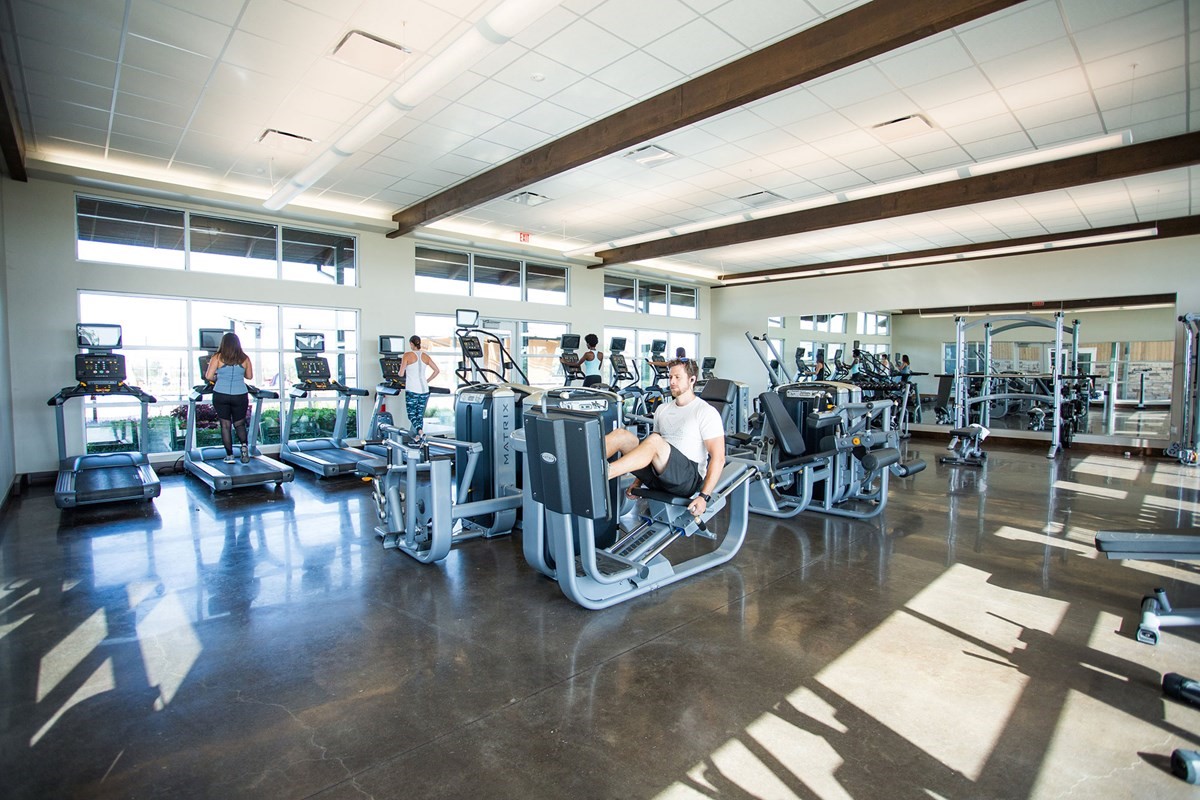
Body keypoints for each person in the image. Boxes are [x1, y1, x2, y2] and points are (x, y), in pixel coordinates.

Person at [605, 358, 725, 519]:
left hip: (686, 479)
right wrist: (639, 481)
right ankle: (583, 467)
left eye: (677, 377)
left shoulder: (705, 412)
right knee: (622, 435)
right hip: (659, 474)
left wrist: (704, 496)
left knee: (655, 440)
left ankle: (602, 474)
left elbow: (718, 458)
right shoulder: (662, 409)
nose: (672, 382)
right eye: (670, 377)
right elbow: (648, 452)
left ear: (692, 380)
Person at [204, 332, 253, 464]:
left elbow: (208, 376)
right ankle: (244, 447)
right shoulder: (245, 358)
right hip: (240, 395)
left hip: (221, 394)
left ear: (223, 344)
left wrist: (217, 377)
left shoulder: (217, 357)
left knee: (225, 425)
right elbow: (249, 376)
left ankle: (230, 456)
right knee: (239, 423)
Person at [401, 335, 441, 440]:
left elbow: (401, 373)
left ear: (411, 344)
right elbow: (437, 370)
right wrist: (427, 381)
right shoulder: (425, 356)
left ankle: (420, 431)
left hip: (412, 389)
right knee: (419, 415)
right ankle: (418, 438)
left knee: (411, 414)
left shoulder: (407, 355)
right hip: (424, 389)